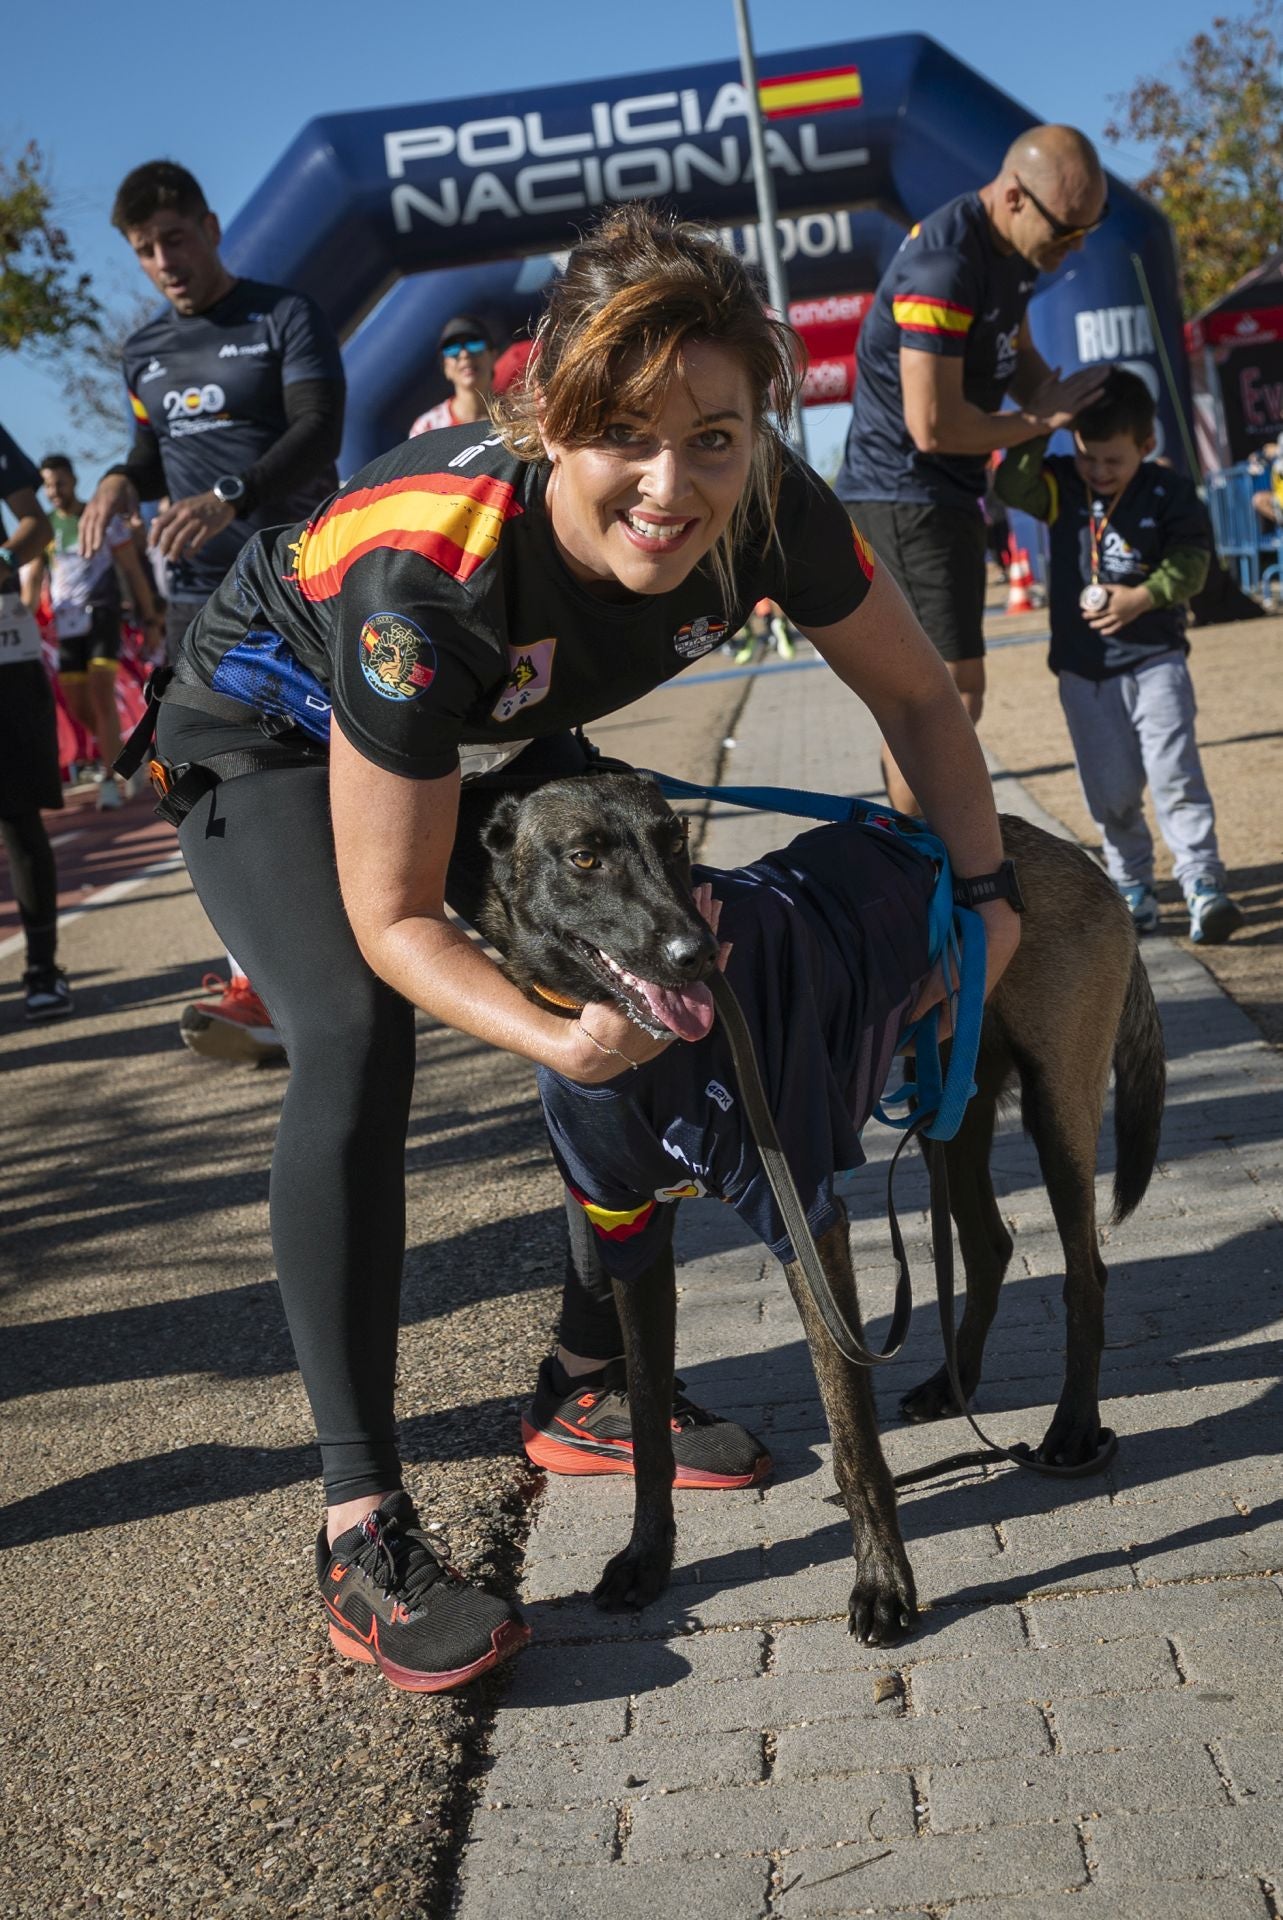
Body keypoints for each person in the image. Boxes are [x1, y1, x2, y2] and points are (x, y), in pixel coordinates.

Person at [141, 204, 1021, 1694]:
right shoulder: (431, 576)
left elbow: (921, 705)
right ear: (546, 414)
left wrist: (980, 896)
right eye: (626, 437)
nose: (671, 489)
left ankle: (585, 1378)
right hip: (278, 726)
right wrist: (553, 1037)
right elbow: (397, 911)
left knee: (663, 938)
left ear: (759, 427)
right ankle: (360, 1528)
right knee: (361, 1025)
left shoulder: (770, 505)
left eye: (715, 439)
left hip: (487, 718)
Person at [77, 159, 346, 1060]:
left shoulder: (284, 316)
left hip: (305, 585)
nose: (164, 260)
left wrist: (234, 493)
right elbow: (150, 451)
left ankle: (384, 944)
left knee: (343, 778)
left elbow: (321, 431)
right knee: (213, 788)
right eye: (146, 250)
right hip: (203, 607)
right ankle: (259, 979)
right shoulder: (144, 352)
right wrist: (120, 478)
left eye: (176, 238)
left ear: (212, 226)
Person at [836, 125, 1110, 814]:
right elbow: (931, 428)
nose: (1075, 247)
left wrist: (1074, 412)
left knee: (940, 700)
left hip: (943, 492)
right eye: (1066, 231)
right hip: (900, 492)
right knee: (942, 697)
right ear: (1014, 196)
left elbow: (1012, 353)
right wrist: (1040, 423)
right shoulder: (943, 266)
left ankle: (910, 860)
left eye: (1089, 230)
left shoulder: (1010, 251)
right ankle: (914, 872)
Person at [996, 367, 1242, 945]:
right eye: (1089, 458)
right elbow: (1010, 485)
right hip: (1085, 674)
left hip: (1157, 661)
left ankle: (1202, 881)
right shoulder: (1061, 484)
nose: (1100, 473)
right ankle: (1133, 887)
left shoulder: (1170, 491)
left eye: (1114, 461)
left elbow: (1192, 564)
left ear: (1147, 445)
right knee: (1110, 790)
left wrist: (1143, 597)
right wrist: (1047, 422)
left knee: (1175, 773)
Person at [25, 454, 163, 810]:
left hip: (102, 615)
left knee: (102, 696)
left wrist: (150, 620)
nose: (54, 492)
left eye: (60, 483)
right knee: (79, 705)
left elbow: (132, 571)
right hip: (66, 627)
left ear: (73, 480)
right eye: (49, 486)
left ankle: (110, 779)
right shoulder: (44, 528)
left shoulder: (101, 519)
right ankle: (122, 754)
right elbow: (33, 582)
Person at [0, 424, 70, 1021]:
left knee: (19, 819)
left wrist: (2, 558)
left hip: (4, 650)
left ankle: (42, 969)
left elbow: (35, 524)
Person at [408, 316, 496, 436]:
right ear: (445, 368)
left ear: (493, 356)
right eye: (452, 349)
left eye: (474, 344)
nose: (464, 354)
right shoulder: (427, 429)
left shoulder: (516, 414)